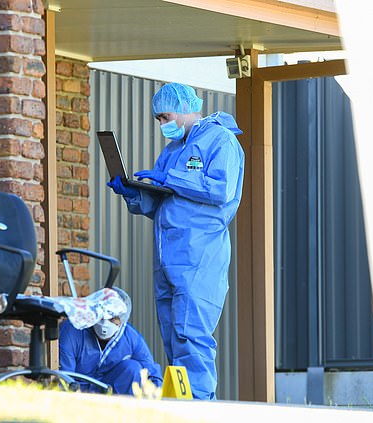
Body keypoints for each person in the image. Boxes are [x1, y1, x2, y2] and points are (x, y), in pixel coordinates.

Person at [106, 82, 244, 400]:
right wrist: (133, 193)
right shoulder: (171, 151)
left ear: (184, 108)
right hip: (168, 261)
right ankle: (181, 405)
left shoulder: (220, 140)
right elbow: (160, 203)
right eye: (158, 119)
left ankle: (199, 406)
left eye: (164, 116)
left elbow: (220, 190)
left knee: (191, 335)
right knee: (172, 336)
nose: (162, 124)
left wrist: (170, 178)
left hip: (199, 259)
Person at [58, 287, 163, 395]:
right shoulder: (74, 330)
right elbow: (65, 375)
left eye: (112, 318)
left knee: (133, 368)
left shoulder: (130, 337)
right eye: (102, 316)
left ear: (122, 320)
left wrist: (156, 396)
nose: (105, 323)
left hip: (110, 390)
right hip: (79, 390)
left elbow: (151, 370)